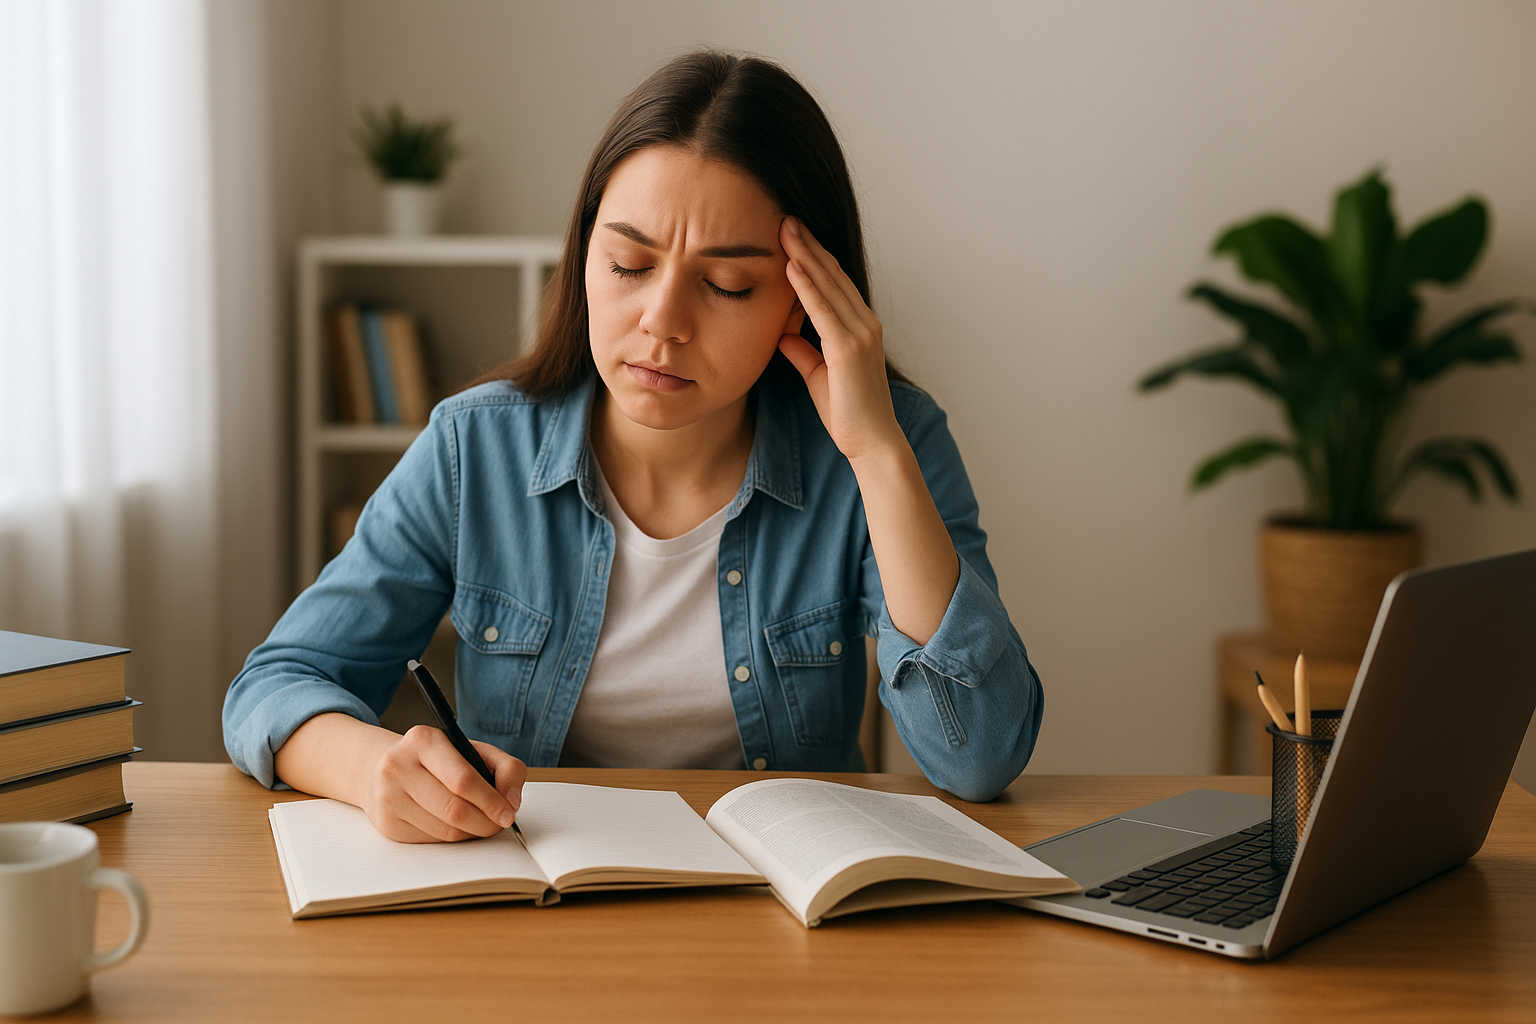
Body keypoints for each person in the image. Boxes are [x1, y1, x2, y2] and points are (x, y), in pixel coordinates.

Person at [223, 50, 1044, 844]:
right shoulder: (473, 450)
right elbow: (273, 687)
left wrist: (875, 454)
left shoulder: (889, 443)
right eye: (626, 263)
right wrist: (376, 770)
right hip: (532, 906)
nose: (662, 323)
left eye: (726, 286)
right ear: (584, 253)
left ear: (805, 301)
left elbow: (978, 757)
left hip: (784, 922)